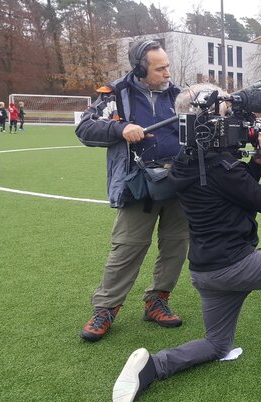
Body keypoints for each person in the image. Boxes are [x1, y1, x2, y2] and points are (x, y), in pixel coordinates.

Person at [111, 84, 261, 402]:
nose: (235, 123)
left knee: (217, 345)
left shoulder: (190, 162)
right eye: (227, 113)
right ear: (207, 120)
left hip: (206, 270)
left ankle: (153, 367)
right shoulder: (218, 166)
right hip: (235, 265)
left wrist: (257, 162)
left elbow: (234, 189)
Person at [75, 39, 187, 342]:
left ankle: (157, 301)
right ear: (140, 69)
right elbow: (85, 128)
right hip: (138, 185)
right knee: (127, 248)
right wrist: (120, 128)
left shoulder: (178, 95)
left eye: (167, 66)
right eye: (160, 68)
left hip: (179, 183)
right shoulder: (116, 94)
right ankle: (106, 308)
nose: (167, 73)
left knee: (176, 246)